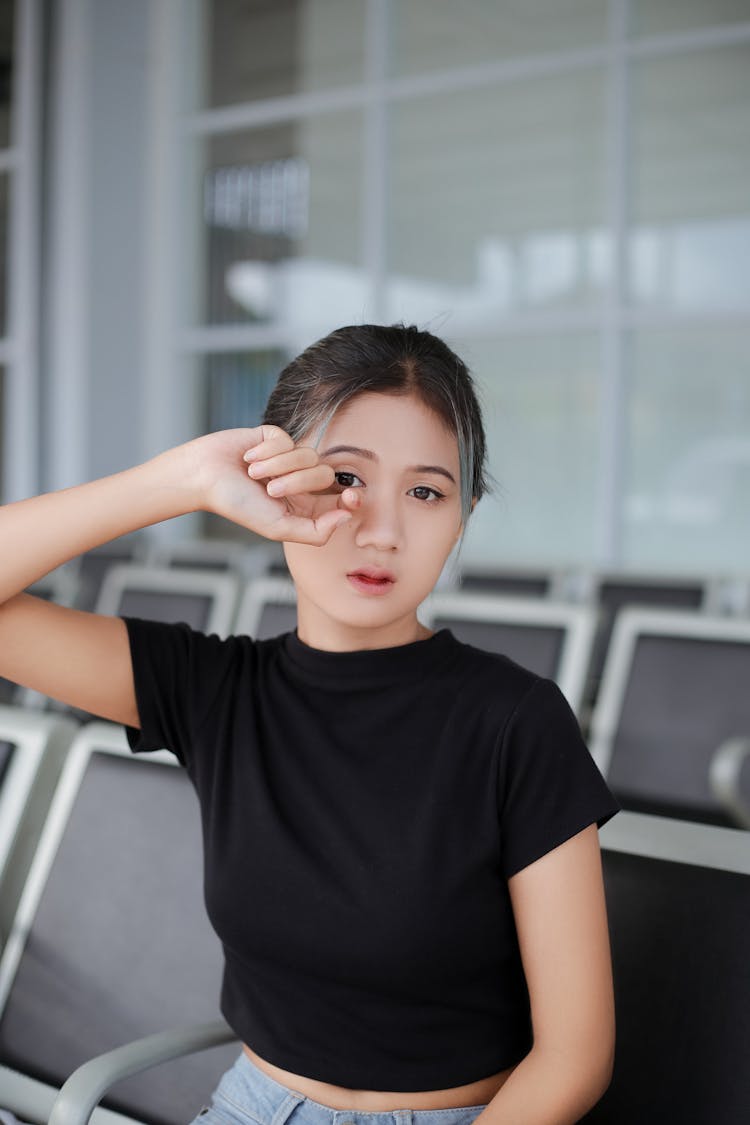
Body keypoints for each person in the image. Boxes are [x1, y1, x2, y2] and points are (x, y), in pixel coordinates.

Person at [0, 323, 620, 1125]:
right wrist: (181, 479)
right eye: (345, 478)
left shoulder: (516, 722)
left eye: (426, 491)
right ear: (272, 482)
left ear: (462, 517)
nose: (383, 529)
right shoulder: (215, 690)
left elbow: (574, 1059)